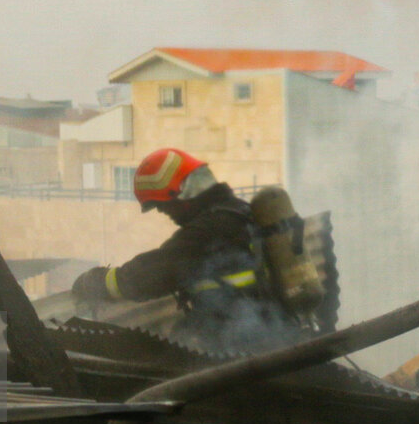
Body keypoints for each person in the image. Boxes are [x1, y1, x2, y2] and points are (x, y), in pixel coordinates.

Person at [71, 147, 294, 351]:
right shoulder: (240, 212)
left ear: (181, 195)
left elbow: (149, 275)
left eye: (164, 205)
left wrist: (95, 283)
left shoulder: (209, 229)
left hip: (244, 348)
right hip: (274, 333)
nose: (165, 213)